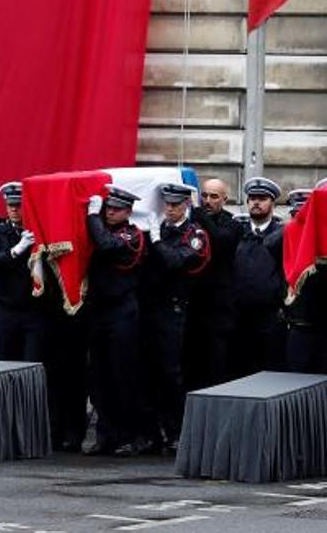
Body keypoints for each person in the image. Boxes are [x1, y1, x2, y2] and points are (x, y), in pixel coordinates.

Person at [139, 183, 210, 452]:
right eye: (167, 204)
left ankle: (176, 430)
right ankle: (151, 432)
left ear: (186, 206)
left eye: (176, 204)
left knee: (172, 373)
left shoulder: (194, 235)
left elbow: (175, 262)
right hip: (149, 307)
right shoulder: (158, 230)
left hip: (174, 309)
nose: (170, 209)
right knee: (148, 371)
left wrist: (155, 240)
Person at [84, 186, 147, 455]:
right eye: (107, 208)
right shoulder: (98, 230)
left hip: (123, 311)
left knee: (123, 375)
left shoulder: (133, 235)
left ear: (128, 212)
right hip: (98, 311)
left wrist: (92, 216)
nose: (110, 212)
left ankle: (130, 436)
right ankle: (105, 435)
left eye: (116, 209)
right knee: (99, 376)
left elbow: (107, 245)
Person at [229, 177, 286, 377]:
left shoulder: (282, 235)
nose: (256, 202)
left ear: (273, 203)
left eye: (262, 198)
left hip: (269, 317)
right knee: (239, 371)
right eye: (252, 198)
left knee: (269, 372)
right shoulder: (238, 232)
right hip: (239, 316)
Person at [0, 182, 44, 362]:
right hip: (6, 310)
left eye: (19, 205)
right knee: (4, 363)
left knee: (32, 365)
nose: (14, 209)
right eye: (11, 205)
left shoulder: (40, 232)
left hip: (34, 311)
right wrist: (14, 251)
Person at [187, 178, 239, 388]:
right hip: (194, 304)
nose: (207, 201)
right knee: (193, 365)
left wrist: (201, 218)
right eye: (204, 196)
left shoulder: (232, 224)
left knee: (217, 364)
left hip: (219, 308)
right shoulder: (193, 222)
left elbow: (221, 241)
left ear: (224, 199)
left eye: (214, 197)